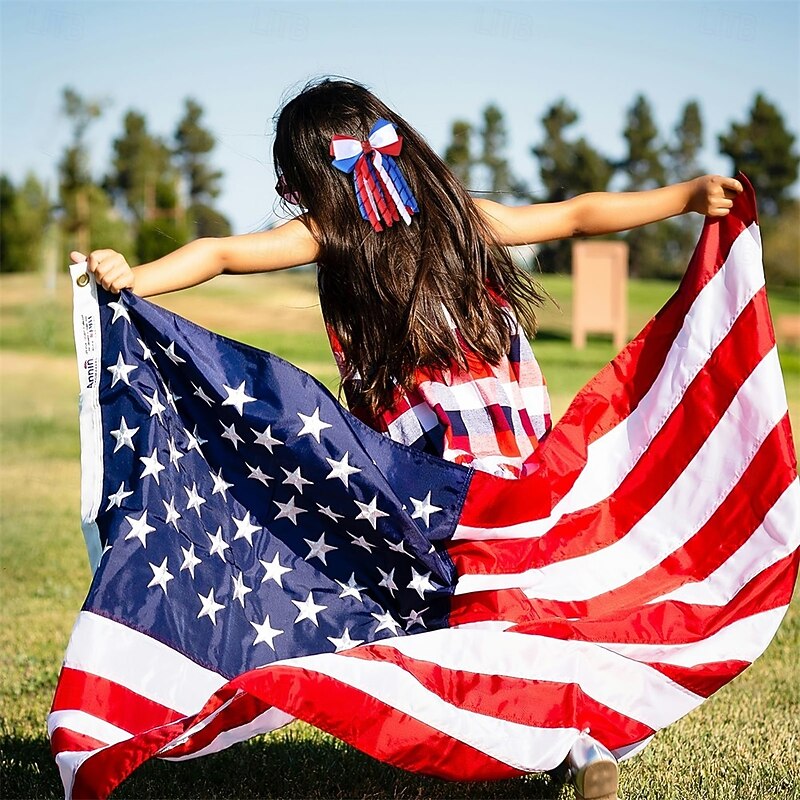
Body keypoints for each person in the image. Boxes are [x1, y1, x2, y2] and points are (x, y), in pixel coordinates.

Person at [69, 77, 743, 800]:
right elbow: (578, 213)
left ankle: (554, 736)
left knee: (472, 606)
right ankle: (576, 739)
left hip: (433, 467)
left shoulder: (339, 232)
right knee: (524, 599)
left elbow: (221, 253)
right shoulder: (458, 216)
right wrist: (683, 196)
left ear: (308, 176)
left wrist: (136, 276)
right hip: (518, 454)